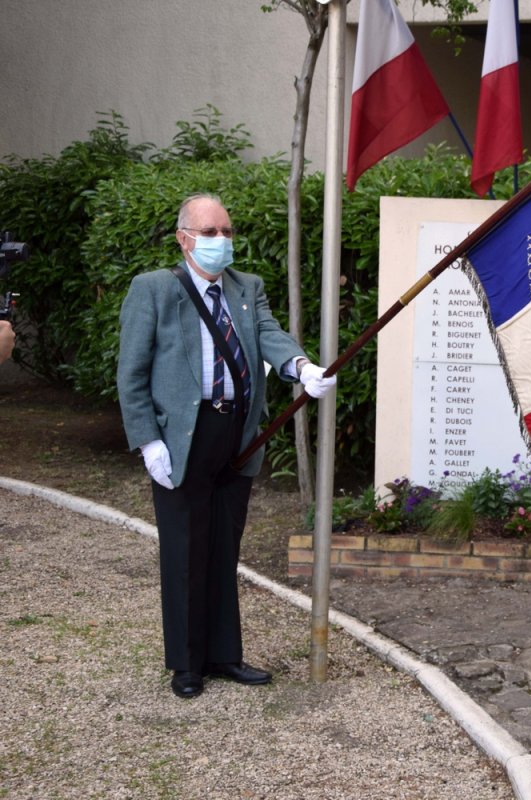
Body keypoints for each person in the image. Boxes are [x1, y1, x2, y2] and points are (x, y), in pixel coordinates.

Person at [117, 193, 336, 699]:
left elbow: (268, 334)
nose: (221, 241)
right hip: (181, 438)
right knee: (184, 548)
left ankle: (224, 655)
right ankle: (187, 664)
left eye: (227, 232)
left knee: (223, 547)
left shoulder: (247, 287)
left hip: (236, 433)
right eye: (210, 232)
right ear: (184, 238)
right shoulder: (152, 290)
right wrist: (148, 440)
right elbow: (131, 373)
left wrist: (301, 368)